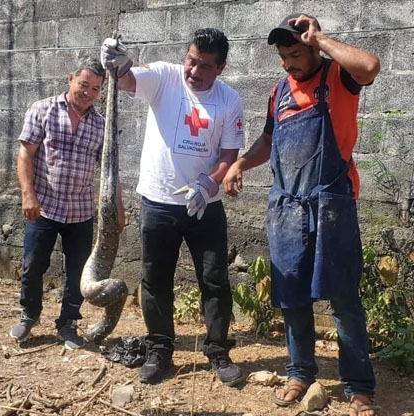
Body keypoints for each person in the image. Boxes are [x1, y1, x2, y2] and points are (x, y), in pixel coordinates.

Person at [220, 14, 381, 416]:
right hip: (287, 208)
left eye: (295, 54)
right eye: (283, 56)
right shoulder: (280, 92)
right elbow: (269, 139)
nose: (288, 63)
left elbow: (371, 67)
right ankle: (300, 372)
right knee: (291, 297)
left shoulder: (339, 78)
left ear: (313, 48)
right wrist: (240, 163)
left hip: (331, 206)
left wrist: (322, 39)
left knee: (344, 298)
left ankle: (358, 384)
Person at [99, 28, 247, 386]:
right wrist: (117, 64)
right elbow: (129, 80)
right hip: (158, 202)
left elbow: (229, 154)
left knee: (214, 279)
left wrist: (209, 182)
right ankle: (160, 350)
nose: (194, 71)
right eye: (191, 60)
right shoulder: (165, 77)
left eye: (205, 67)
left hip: (205, 207)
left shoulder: (229, 101)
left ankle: (217, 351)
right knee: (155, 279)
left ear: (221, 68)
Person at [10, 57, 125, 350]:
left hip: (81, 212)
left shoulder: (100, 125)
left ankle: (68, 324)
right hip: (44, 206)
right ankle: (29, 314)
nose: (88, 93)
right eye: (84, 85)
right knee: (33, 264)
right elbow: (25, 155)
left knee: (78, 272)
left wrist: (119, 206)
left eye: (96, 89)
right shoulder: (43, 110)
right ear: (70, 78)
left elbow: (109, 170)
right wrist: (27, 194)